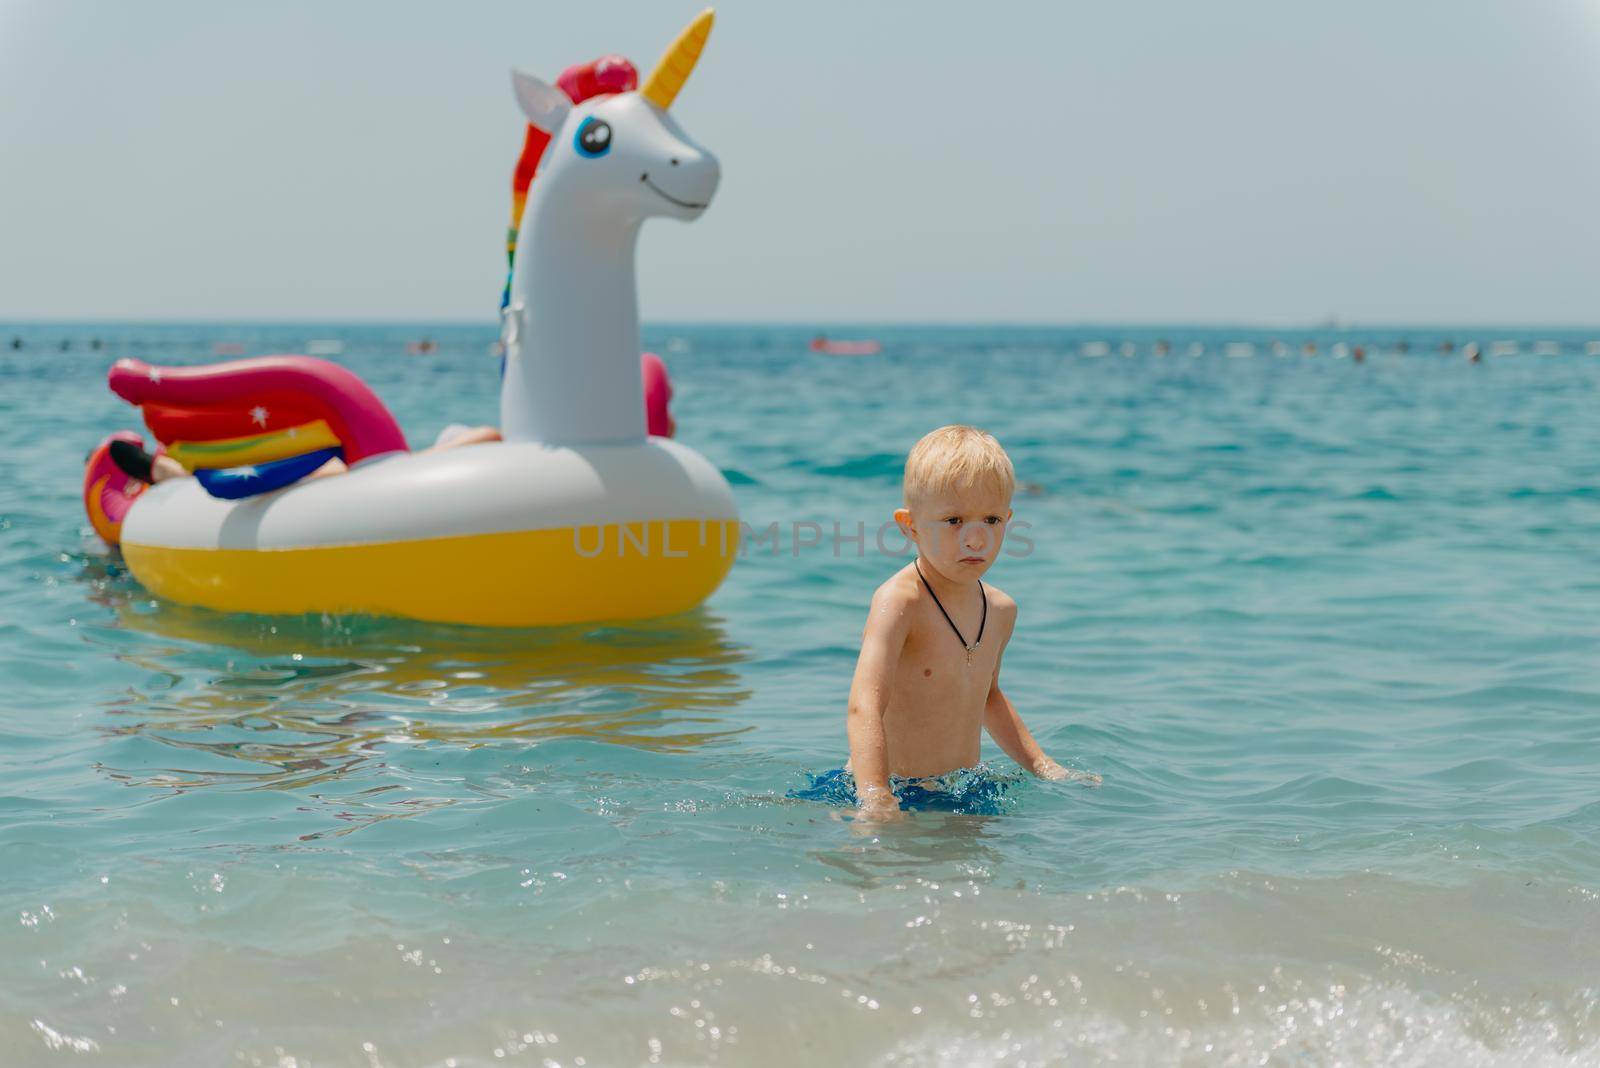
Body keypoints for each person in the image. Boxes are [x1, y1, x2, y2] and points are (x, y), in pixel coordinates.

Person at [826, 425, 1099, 821]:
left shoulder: (1001, 609)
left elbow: (988, 698)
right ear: (910, 525)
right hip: (892, 787)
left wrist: (1044, 766)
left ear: (1008, 520)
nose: (975, 540)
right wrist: (874, 794)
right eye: (953, 521)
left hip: (961, 788)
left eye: (990, 520)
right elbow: (864, 704)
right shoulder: (901, 601)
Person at [106, 352, 676, 486]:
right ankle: (168, 475)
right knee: (324, 478)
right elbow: (485, 438)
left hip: (402, 472)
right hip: (397, 473)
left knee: (327, 476)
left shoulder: (521, 448)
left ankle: (167, 474)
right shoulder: (504, 440)